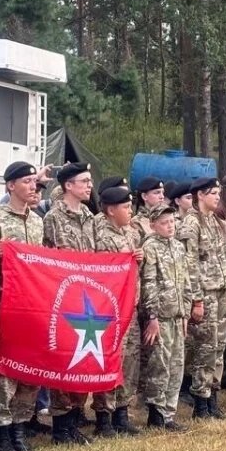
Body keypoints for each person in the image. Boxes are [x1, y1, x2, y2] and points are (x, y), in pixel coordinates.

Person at [0, 162, 46, 451]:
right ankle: (2, 431)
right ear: (10, 186)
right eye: (25, 181)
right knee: (6, 372)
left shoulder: (37, 222)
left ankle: (21, 425)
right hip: (6, 305)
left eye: (34, 181)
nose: (32, 186)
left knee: (31, 370)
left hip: (33, 307)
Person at [41, 161, 97, 445]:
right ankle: (61, 425)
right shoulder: (53, 218)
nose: (89, 185)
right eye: (84, 181)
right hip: (64, 299)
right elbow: (49, 260)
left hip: (87, 299)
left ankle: (75, 417)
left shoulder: (89, 216)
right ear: (68, 186)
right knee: (64, 360)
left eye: (89, 181)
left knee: (84, 358)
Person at [89, 186, 145, 437]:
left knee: (130, 361)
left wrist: (137, 258)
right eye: (125, 207)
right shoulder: (100, 235)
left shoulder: (130, 234)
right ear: (111, 210)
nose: (130, 211)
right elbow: (99, 269)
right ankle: (104, 416)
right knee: (110, 360)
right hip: (109, 310)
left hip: (130, 306)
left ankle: (122, 410)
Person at [180, 177, 226, 420]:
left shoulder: (217, 222)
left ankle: (212, 395)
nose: (217, 197)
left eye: (218, 193)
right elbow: (189, 264)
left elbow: (225, 260)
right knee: (204, 348)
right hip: (205, 293)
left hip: (220, 291)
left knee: (218, 347)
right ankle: (200, 400)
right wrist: (196, 300)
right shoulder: (192, 223)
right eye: (212, 193)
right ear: (200, 195)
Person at [139, 206, 192, 430]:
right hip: (160, 315)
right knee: (160, 363)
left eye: (172, 221)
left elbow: (185, 281)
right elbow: (149, 284)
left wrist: (186, 313)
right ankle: (156, 412)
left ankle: (169, 411)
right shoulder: (150, 247)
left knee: (176, 363)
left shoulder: (178, 247)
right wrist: (152, 316)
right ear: (153, 225)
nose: (170, 226)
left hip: (177, 314)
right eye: (164, 223)